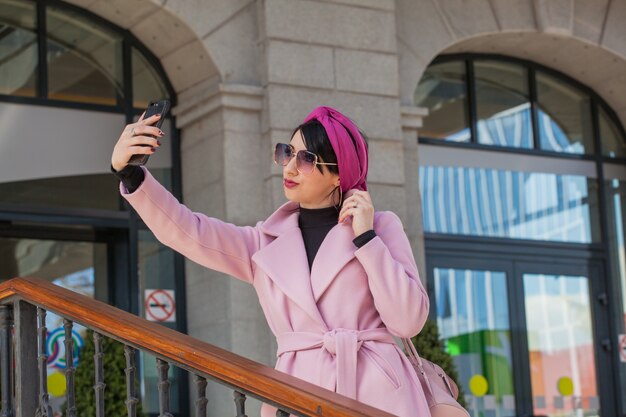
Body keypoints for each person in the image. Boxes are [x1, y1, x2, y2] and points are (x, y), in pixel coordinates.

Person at [111, 105, 431, 417]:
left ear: (339, 174)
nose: (289, 167)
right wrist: (132, 173)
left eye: (306, 159)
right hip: (298, 395)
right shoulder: (262, 243)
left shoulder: (381, 227)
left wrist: (366, 240)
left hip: (379, 397)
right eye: (286, 152)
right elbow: (189, 231)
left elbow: (407, 321)